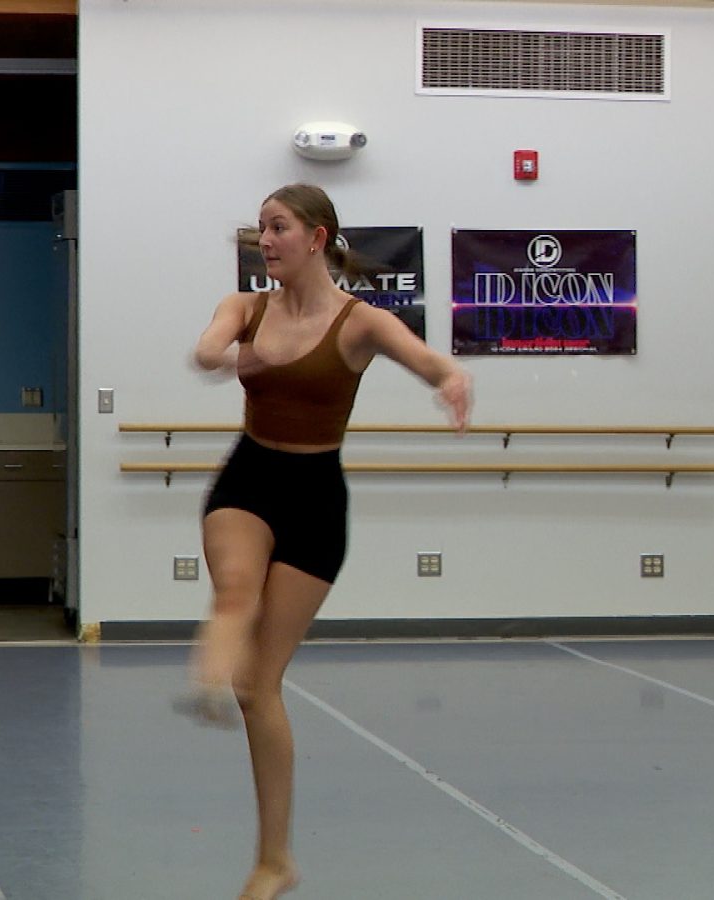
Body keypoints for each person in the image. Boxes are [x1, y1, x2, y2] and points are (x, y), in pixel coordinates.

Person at [176, 183, 472, 900]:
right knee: (236, 593)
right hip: (249, 479)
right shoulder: (244, 306)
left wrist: (452, 378)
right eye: (259, 229)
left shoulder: (359, 321)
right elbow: (206, 350)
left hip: (316, 499)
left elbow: (424, 358)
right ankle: (208, 666)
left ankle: (274, 859)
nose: (265, 240)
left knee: (260, 686)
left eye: (277, 228)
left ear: (316, 237)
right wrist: (227, 359)